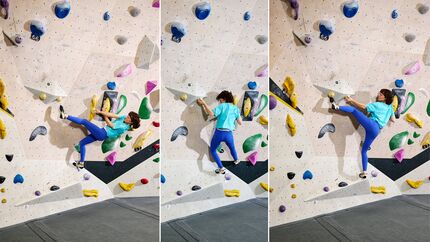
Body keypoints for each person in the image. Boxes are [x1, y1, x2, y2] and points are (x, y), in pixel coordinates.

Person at [330, 89, 394, 178]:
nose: (378, 95)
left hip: (372, 124)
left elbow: (364, 107)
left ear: (385, 98)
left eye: (381, 94)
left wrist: (351, 100)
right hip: (376, 131)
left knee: (353, 110)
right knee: (364, 151)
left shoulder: (378, 105)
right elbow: (393, 120)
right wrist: (389, 111)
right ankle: (364, 172)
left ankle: (336, 107)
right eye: (379, 93)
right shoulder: (390, 108)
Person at [59, 105, 140, 168]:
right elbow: (112, 115)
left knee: (84, 122)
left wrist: (104, 116)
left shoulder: (123, 128)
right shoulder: (124, 118)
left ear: (130, 122)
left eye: (129, 117)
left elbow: (110, 124)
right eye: (128, 116)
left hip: (102, 134)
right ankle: (81, 163)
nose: (127, 117)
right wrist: (101, 112)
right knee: (82, 143)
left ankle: (65, 116)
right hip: (101, 133)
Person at [197, 91, 242, 174]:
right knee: (232, 148)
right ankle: (236, 160)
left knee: (213, 150)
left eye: (220, 101)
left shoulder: (222, 106)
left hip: (219, 133)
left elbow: (211, 114)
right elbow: (240, 122)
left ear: (224, 99)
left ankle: (221, 168)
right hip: (229, 134)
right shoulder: (235, 109)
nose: (220, 102)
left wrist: (203, 103)